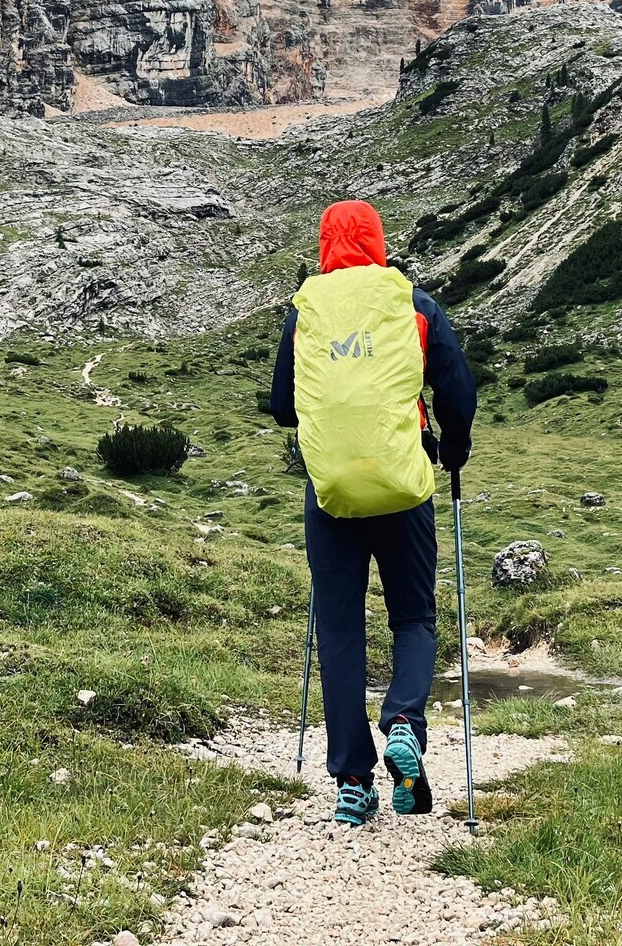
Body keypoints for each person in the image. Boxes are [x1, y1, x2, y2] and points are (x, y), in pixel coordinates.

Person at [270, 199, 477, 826]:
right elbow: (458, 390)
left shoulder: (305, 312)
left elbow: (283, 406)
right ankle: (405, 722)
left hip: (331, 492)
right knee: (413, 617)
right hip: (405, 485)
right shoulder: (413, 303)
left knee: (338, 631)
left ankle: (353, 783)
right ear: (378, 241)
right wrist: (451, 450)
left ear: (325, 245)